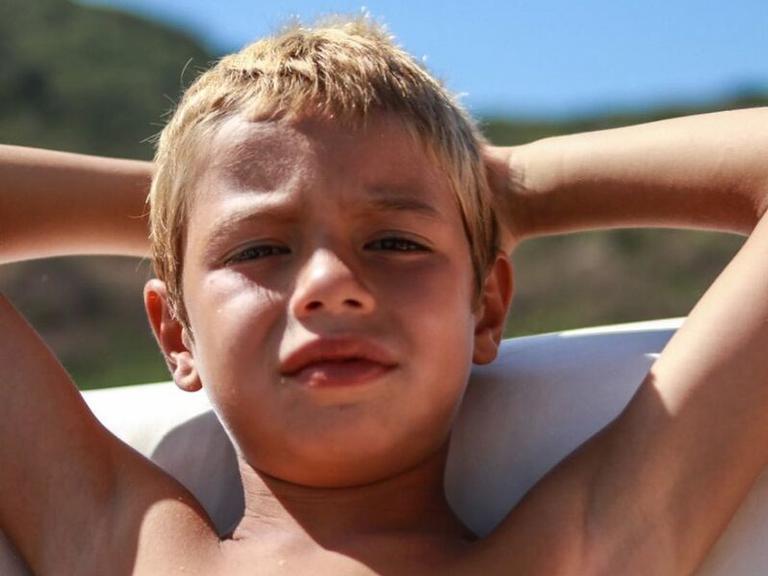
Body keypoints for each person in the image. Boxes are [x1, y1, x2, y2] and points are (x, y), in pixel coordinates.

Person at [2, 15, 768, 575]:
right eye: (260, 250)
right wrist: (193, 192)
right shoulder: (127, 547)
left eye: (396, 243)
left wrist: (503, 188)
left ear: (488, 306)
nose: (332, 287)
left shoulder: (577, 554)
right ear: (176, 334)